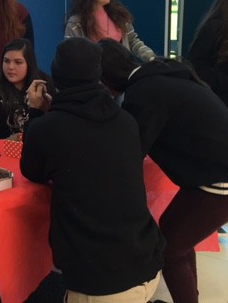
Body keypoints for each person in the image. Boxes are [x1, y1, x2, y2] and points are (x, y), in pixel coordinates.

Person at [98, 38, 228, 303]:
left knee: (170, 249)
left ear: (104, 79)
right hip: (225, 170)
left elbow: (129, 151)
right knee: (175, 238)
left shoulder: (143, 93)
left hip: (226, 180)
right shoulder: (159, 75)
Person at [20, 37, 164, 302]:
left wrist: (37, 113)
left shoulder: (48, 128)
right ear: (98, 76)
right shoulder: (125, 120)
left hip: (100, 281)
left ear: (55, 77)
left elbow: (32, 170)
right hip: (147, 260)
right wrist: (54, 111)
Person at [65, 0, 155, 62]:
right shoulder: (75, 24)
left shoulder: (119, 16)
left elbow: (133, 42)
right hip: (94, 71)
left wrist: (152, 58)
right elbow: (72, 57)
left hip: (124, 70)